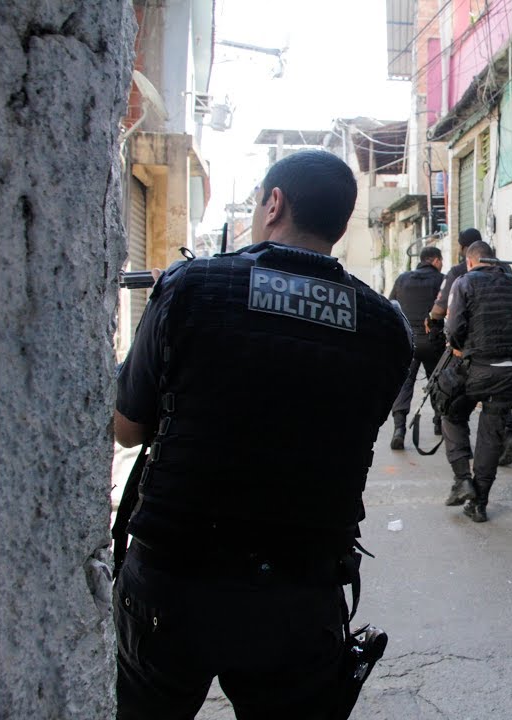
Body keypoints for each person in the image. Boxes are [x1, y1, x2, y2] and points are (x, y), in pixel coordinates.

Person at [111, 150, 413, 719]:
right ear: (342, 224)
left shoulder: (191, 286)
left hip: (176, 582)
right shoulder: (386, 326)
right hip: (301, 593)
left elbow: (126, 428)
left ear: (274, 204)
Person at [438, 240, 512, 522]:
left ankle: (462, 480)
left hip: (477, 367)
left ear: (470, 261)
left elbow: (454, 329)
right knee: (491, 435)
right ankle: (479, 504)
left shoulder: (464, 282)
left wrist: (459, 343)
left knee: (450, 412)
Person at [429, 227, 512, 465]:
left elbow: (445, 314)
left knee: (455, 402)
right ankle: (506, 434)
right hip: (510, 352)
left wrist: (434, 322)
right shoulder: (507, 271)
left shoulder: (460, 273)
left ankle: (463, 473)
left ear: (464, 252)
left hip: (473, 352)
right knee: (499, 395)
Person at [387, 244, 446, 449]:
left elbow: (391, 306)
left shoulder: (402, 279)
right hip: (433, 342)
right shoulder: (442, 280)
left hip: (408, 342)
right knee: (437, 381)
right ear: (436, 261)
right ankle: (440, 422)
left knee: (405, 383)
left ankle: (399, 429)